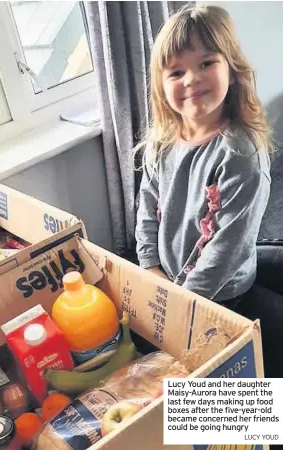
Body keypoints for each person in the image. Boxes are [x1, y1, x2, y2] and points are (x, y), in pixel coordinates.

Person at [135, 5, 282, 378]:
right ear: (161, 84)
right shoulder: (160, 143)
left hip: (223, 294)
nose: (191, 79)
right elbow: (146, 214)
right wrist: (151, 271)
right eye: (176, 71)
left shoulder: (241, 153)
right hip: (169, 283)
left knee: (226, 410)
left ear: (231, 69)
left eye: (206, 64)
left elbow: (225, 251)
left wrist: (181, 308)